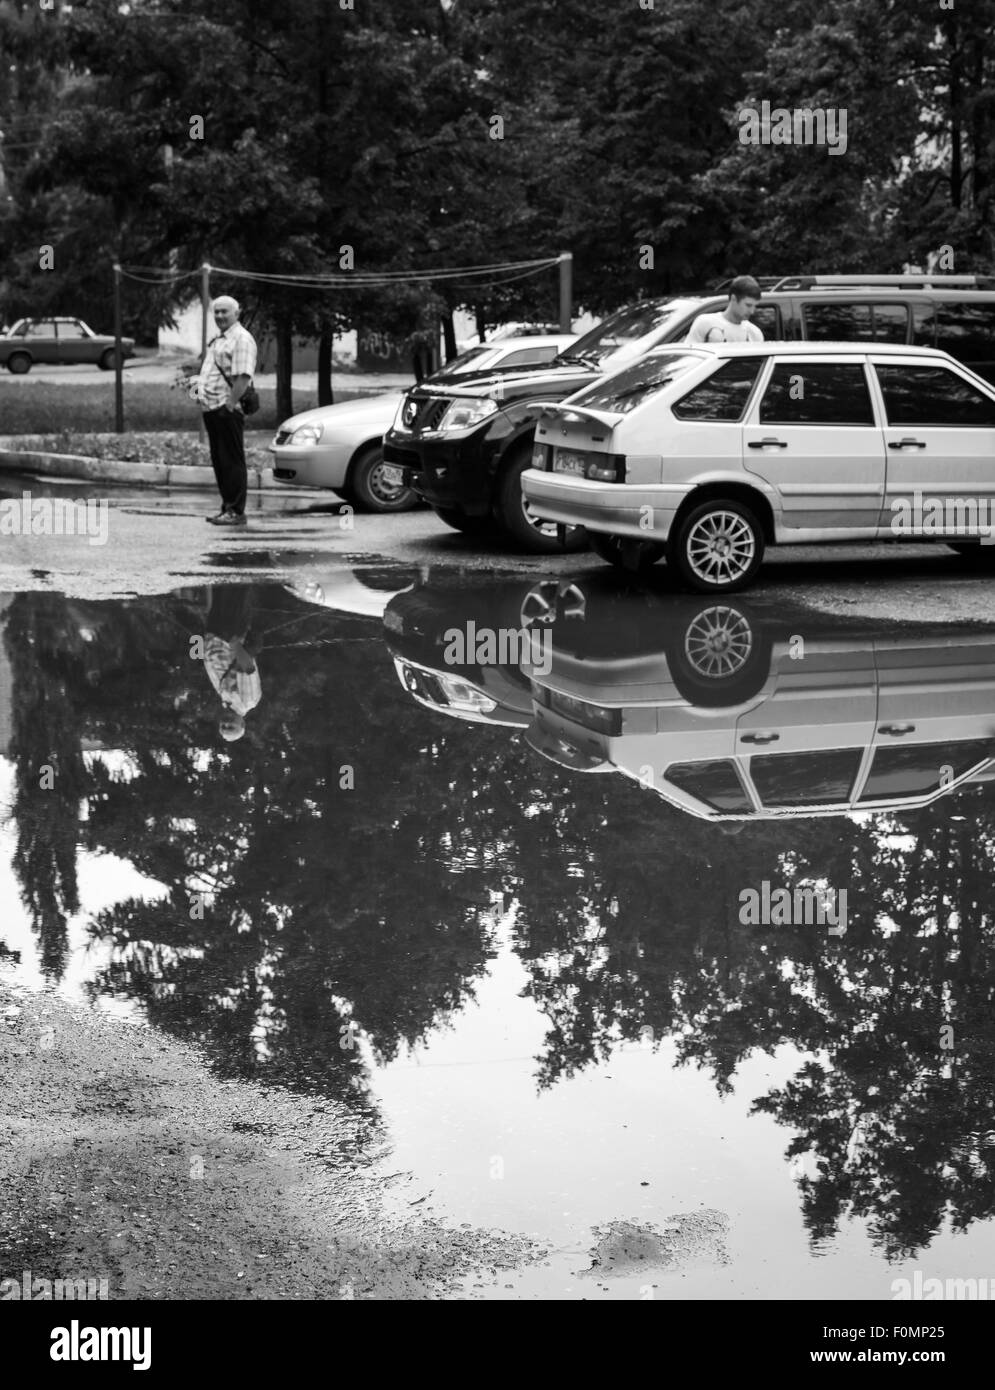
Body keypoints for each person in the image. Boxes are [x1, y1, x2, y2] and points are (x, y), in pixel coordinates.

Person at [194, 295, 258, 527]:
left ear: (236, 314)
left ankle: (236, 511)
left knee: (231, 461)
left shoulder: (241, 339)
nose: (220, 316)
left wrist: (230, 404)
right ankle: (227, 507)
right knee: (220, 460)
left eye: (225, 312)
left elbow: (243, 377)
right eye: (217, 312)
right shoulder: (219, 339)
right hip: (211, 407)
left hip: (227, 408)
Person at [199, 587, 261, 742]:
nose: (226, 723)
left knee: (220, 589)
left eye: (223, 727)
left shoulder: (226, 700)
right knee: (236, 590)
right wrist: (235, 644)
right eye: (231, 727)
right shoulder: (248, 702)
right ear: (242, 724)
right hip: (230, 635)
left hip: (214, 635)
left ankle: (223, 564)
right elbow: (247, 668)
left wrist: (201, 640)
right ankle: (244, 564)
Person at [685, 275, 764, 344]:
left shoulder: (754, 334)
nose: (752, 311)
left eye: (755, 306)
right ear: (733, 299)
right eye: (748, 305)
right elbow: (688, 356)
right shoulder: (705, 323)